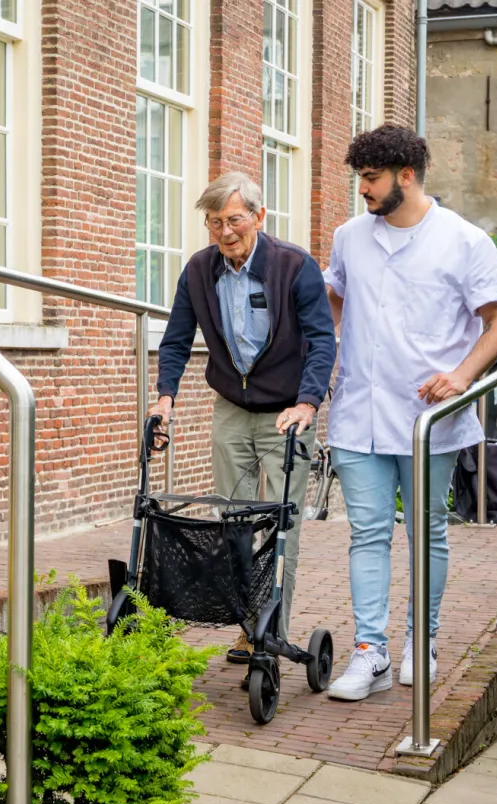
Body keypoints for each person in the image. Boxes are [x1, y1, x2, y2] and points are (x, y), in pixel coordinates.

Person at [321, 125, 497, 702]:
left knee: (425, 532)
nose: (363, 189)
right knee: (367, 534)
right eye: (360, 178)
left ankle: (420, 642)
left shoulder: (463, 241)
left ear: (406, 176)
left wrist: (461, 376)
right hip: (358, 411)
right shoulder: (349, 237)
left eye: (372, 178)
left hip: (429, 417)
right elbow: (332, 297)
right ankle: (369, 652)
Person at [152, 172, 336, 663]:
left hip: (287, 413)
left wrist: (307, 402)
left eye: (234, 219)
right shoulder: (198, 271)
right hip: (232, 408)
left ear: (258, 215)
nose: (225, 232)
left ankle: (270, 633)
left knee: (281, 525)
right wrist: (164, 398)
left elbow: (322, 340)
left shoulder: (294, 266)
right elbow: (175, 340)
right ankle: (245, 626)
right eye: (215, 223)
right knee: (232, 521)